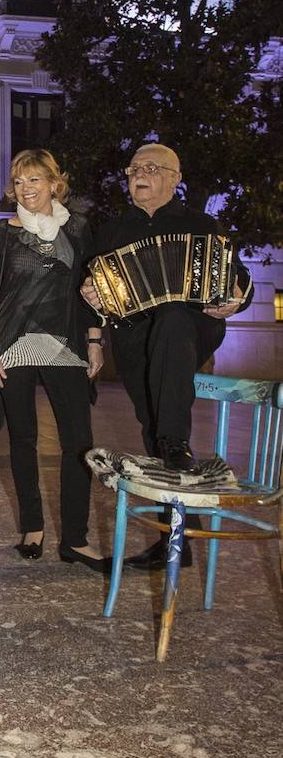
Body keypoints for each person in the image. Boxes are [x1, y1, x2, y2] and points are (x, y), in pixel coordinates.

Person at [85, 142, 253, 571]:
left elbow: (237, 277)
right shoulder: (112, 230)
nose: (139, 174)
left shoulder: (201, 223)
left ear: (175, 179)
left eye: (152, 168)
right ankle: (177, 543)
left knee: (175, 315)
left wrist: (237, 298)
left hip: (193, 329)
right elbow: (96, 286)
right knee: (154, 426)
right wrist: (91, 294)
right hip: (136, 338)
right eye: (134, 168)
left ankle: (175, 442)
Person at [0, 150, 108, 572]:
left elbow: (91, 290)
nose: (26, 189)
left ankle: (75, 538)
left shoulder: (80, 229)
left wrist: (94, 340)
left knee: (78, 443)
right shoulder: (5, 233)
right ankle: (32, 526)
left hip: (65, 343)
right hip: (14, 344)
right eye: (18, 182)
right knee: (23, 440)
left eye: (34, 180)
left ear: (55, 183)